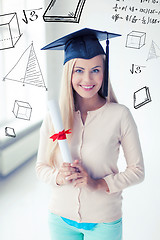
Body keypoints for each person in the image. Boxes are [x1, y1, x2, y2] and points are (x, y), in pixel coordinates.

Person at [36, 28, 145, 240]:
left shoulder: (120, 115)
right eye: (79, 70)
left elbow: (137, 171)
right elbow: (41, 167)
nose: (87, 78)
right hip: (60, 219)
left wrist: (98, 183)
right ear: (69, 73)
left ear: (104, 72)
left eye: (95, 69)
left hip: (104, 221)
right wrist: (58, 176)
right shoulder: (54, 116)